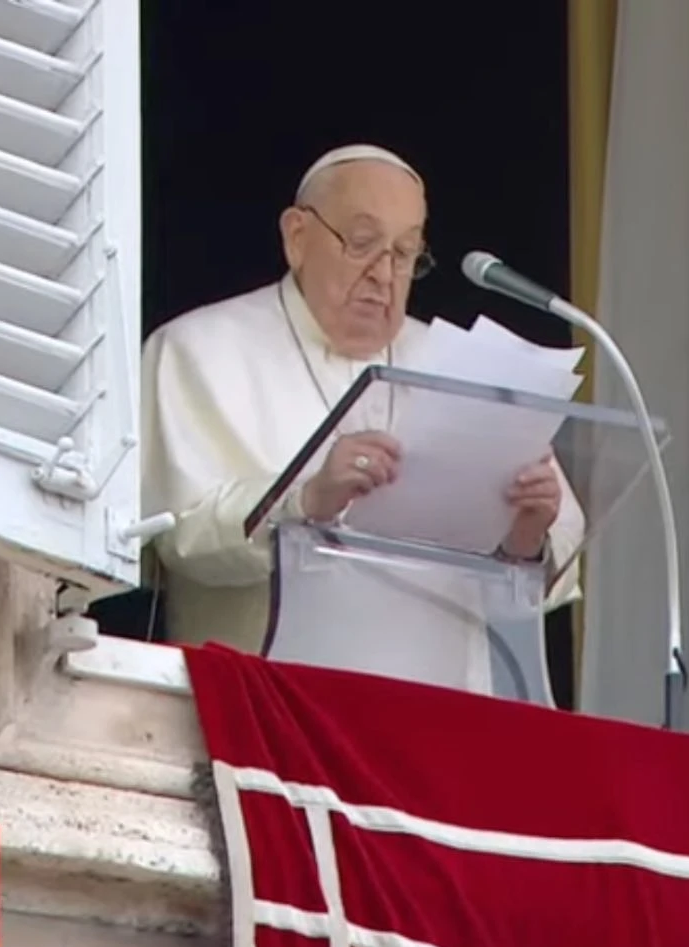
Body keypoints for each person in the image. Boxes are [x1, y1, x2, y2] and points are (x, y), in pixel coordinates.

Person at [140, 143, 584, 696]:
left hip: (438, 713)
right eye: (363, 243)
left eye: (405, 253)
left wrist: (525, 540)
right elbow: (180, 538)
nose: (384, 274)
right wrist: (306, 499)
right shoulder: (196, 348)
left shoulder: (460, 365)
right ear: (297, 237)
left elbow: (560, 549)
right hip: (261, 707)